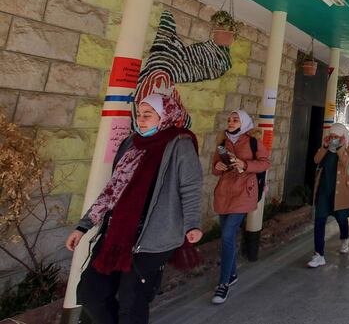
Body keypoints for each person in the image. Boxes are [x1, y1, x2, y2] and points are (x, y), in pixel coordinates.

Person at [66, 94, 203, 324]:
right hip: (116, 235)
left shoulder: (180, 144)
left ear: (165, 115)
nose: (141, 120)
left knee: (132, 302)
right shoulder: (131, 143)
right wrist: (83, 226)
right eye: (139, 114)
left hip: (152, 238)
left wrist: (192, 224)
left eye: (148, 115)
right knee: (91, 294)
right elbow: (113, 189)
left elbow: (190, 187)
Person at [210, 110, 269, 303]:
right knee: (226, 236)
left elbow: (264, 163)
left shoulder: (252, 141)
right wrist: (218, 168)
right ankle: (233, 274)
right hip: (224, 193)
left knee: (227, 235)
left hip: (244, 192)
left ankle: (223, 283)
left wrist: (244, 164)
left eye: (235, 119)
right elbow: (215, 168)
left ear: (244, 122)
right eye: (229, 119)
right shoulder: (222, 142)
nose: (231, 122)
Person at [307, 122, 349, 268]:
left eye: (336, 136)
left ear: (342, 136)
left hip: (340, 190)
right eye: (331, 135)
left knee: (341, 218)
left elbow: (347, 163)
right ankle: (318, 254)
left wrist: (340, 147)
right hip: (324, 188)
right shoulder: (327, 146)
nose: (333, 138)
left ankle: (345, 238)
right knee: (320, 220)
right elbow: (316, 160)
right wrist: (324, 146)